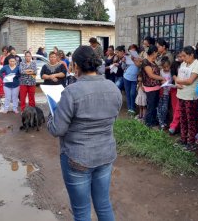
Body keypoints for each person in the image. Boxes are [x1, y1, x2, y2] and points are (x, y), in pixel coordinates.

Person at [47, 45, 122, 221]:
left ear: (75, 66)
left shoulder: (71, 92)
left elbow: (57, 129)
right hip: (105, 155)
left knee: (81, 211)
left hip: (77, 158)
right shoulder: (113, 88)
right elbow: (112, 118)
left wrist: (51, 112)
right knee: (103, 204)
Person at [175, 46, 198, 149]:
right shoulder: (183, 63)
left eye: (184, 56)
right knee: (183, 118)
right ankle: (183, 139)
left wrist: (178, 81)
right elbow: (178, 77)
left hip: (191, 96)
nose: (182, 58)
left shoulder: (197, 65)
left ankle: (191, 142)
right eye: (181, 56)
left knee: (191, 119)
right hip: (181, 94)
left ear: (191, 55)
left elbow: (190, 81)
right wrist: (177, 82)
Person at [142, 45, 166, 127]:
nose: (157, 55)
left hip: (156, 87)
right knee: (151, 106)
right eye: (157, 53)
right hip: (150, 88)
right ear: (153, 53)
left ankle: (152, 121)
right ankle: (148, 124)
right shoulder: (146, 62)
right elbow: (151, 75)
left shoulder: (153, 61)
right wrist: (162, 78)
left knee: (154, 106)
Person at [123, 44, 141, 116]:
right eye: (130, 50)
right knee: (127, 93)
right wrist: (124, 61)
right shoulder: (128, 57)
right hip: (126, 77)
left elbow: (139, 66)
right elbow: (123, 67)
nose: (132, 51)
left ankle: (133, 108)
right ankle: (130, 109)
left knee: (132, 93)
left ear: (136, 50)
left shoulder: (139, 58)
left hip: (134, 79)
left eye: (133, 49)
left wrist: (134, 60)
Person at [168, 52, 183, 135]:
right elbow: (173, 73)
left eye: (182, 56)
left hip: (184, 88)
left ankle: (177, 126)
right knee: (175, 107)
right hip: (175, 87)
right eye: (179, 56)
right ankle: (175, 126)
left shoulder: (188, 65)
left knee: (180, 108)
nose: (180, 57)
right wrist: (177, 80)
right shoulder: (175, 64)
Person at [157, 57, 172, 130]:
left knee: (165, 108)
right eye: (164, 67)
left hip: (168, 93)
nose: (166, 68)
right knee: (160, 107)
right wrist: (161, 81)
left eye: (167, 67)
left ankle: (163, 121)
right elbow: (158, 80)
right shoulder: (161, 72)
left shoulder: (171, 72)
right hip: (161, 92)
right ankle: (161, 122)